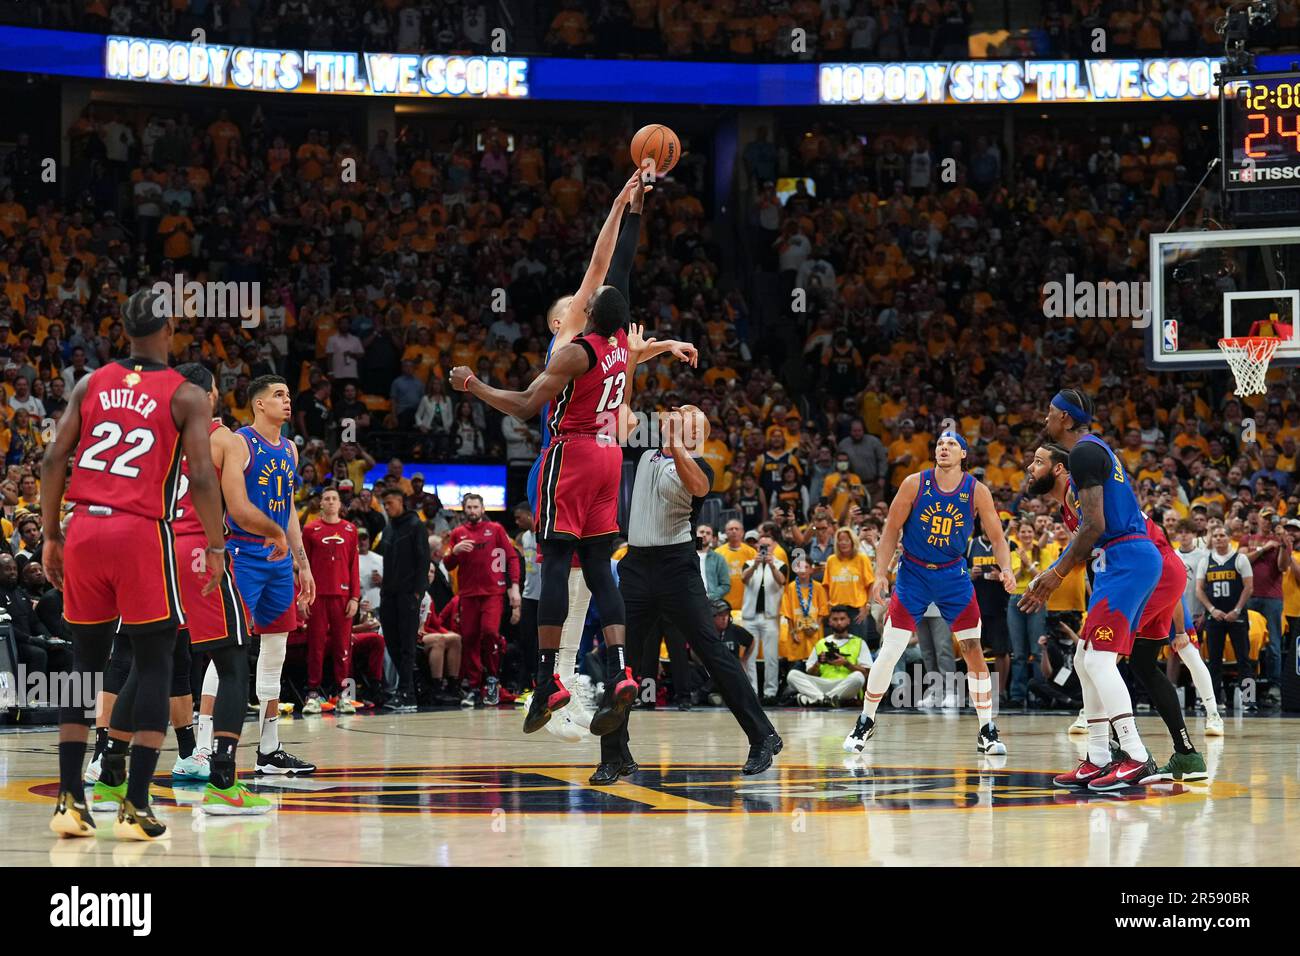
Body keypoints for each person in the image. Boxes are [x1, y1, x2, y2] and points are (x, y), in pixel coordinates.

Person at [452, 172, 670, 737]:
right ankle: (621, 672)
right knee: (597, 568)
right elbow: (617, 263)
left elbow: (525, 406)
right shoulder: (623, 341)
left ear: (583, 314)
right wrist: (633, 207)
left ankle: (550, 677)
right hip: (608, 460)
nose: (584, 292)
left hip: (567, 456)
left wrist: (473, 384)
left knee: (554, 565)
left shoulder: (575, 346)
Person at [43, 287, 227, 841]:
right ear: (167, 329)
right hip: (139, 531)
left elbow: (55, 458)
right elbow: (199, 475)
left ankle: (70, 800)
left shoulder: (90, 382)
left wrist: (51, 534)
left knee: (83, 662)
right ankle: (136, 804)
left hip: (83, 527)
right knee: (154, 661)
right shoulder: (188, 393)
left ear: (123, 331)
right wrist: (216, 547)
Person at [592, 406, 782, 782]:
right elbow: (620, 403)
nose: (676, 411)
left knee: (712, 651)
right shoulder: (646, 453)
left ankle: (762, 736)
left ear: (696, 433)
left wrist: (676, 440)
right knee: (621, 659)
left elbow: (696, 486)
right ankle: (613, 755)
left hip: (676, 567)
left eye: (687, 413)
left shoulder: (700, 468)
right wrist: (629, 352)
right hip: (636, 565)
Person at [1027, 444, 1207, 781]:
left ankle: (1127, 753)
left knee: (1093, 658)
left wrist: (1055, 575)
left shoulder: (1077, 492)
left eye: (1037, 462)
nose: (1029, 469)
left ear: (1060, 470)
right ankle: (1186, 755)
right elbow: (1096, 557)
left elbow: (1098, 540)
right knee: (1138, 664)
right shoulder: (1072, 503)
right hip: (1158, 568)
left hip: (1146, 567)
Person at [1019, 389, 1161, 791]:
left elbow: (1095, 524)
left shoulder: (1082, 453)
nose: (1044, 419)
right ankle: (1098, 756)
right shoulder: (1091, 452)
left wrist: (1056, 573)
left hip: (1126, 557)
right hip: (1118, 560)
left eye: (1049, 413)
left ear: (1064, 418)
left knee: (1098, 661)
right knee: (1085, 659)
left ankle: (1135, 755)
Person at [845, 430, 1014, 757]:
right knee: (890, 648)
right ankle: (865, 720)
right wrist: (880, 573)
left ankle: (987, 729)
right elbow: (891, 529)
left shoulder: (977, 491)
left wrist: (1006, 568)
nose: (944, 448)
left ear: (964, 454)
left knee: (973, 648)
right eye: (940, 443)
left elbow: (997, 537)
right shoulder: (914, 483)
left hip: (954, 575)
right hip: (914, 574)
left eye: (952, 444)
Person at [170, 362, 284, 815]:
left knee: (143, 661)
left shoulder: (160, 436)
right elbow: (238, 510)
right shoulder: (223, 439)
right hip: (203, 550)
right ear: (209, 397)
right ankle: (222, 783)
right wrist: (275, 532)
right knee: (234, 660)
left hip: (156, 550)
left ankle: (108, 777)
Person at [227, 375, 318, 775]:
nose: (287, 401)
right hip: (242, 554)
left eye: (288, 394)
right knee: (226, 650)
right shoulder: (240, 442)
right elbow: (233, 504)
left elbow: (289, 509)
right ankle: (204, 747)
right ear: (258, 404)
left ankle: (269, 748)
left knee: (275, 652)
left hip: (280, 560)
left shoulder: (292, 450)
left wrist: (303, 562)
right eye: (279, 395)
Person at [444, 493, 521, 706]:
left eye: (475, 507)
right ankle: (475, 685)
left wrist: (513, 586)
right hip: (468, 594)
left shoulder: (496, 529)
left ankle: (493, 679)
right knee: (468, 637)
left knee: (490, 633)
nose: (472, 511)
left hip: (492, 593)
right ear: (464, 509)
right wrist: (455, 552)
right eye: (468, 507)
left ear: (482, 508)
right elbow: (448, 564)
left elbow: (512, 557)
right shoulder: (457, 533)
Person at [301, 487, 361, 715]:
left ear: (340, 504)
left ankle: (343, 696)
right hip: (316, 596)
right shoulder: (310, 529)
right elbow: (303, 567)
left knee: (342, 647)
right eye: (327, 498)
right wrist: (303, 596)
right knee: (315, 647)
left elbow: (354, 565)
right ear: (321, 504)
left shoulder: (350, 529)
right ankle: (313, 695)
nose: (331, 502)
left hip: (342, 596)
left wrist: (355, 597)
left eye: (334, 498)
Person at [379, 487, 432, 711]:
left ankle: (407, 693)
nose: (387, 507)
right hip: (388, 594)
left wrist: (418, 593)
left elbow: (424, 560)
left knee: (407, 645)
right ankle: (405, 690)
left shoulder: (415, 525)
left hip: (408, 594)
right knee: (392, 643)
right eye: (385, 504)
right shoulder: (389, 527)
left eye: (390, 503)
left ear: (401, 502)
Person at [1195, 525, 1255, 713]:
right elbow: (1199, 589)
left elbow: (1248, 587)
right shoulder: (1206, 561)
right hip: (1215, 617)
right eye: (1216, 536)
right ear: (1211, 539)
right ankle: (1214, 701)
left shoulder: (1240, 558)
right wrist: (1212, 610)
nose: (1219, 539)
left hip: (1236, 616)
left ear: (1229, 538)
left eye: (1222, 535)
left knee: (1244, 659)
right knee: (1213, 660)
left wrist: (1237, 610)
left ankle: (1249, 699)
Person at [966, 518, 1011, 701]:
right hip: (976, 604)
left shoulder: (1007, 544)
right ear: (980, 524)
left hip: (1000, 604)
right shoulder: (970, 545)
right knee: (974, 650)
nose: (988, 524)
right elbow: (959, 569)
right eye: (985, 522)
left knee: (1001, 650)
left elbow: (1015, 571)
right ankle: (979, 691)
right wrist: (970, 573)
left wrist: (1001, 576)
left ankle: (1000, 692)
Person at [788, 606, 871, 705]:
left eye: (842, 619)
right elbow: (810, 673)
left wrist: (847, 664)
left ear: (848, 621)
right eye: (835, 619)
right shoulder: (821, 643)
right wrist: (818, 663)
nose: (839, 622)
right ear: (829, 622)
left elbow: (867, 673)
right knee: (792, 675)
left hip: (845, 684)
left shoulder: (859, 642)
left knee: (858, 677)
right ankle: (826, 699)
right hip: (822, 683)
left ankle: (816, 699)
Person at [740, 531, 787, 702]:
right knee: (749, 657)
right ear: (757, 547)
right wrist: (755, 566)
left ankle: (770, 693)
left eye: (767, 546)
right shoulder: (748, 563)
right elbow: (743, 579)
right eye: (761, 546)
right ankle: (751, 691)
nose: (764, 549)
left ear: (774, 546)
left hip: (770, 618)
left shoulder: (781, 564)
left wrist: (771, 565)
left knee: (771, 657)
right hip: (750, 617)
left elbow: (782, 580)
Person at [695, 524, 731, 602]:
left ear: (712, 538)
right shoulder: (687, 557)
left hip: (711, 603)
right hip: (691, 601)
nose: (704, 535)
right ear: (695, 534)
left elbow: (725, 585)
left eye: (708, 533)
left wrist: (711, 596)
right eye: (701, 532)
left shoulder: (718, 559)